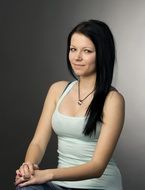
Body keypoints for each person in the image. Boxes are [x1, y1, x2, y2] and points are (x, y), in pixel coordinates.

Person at [15, 19, 125, 190]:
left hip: (99, 186)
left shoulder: (113, 100)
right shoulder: (57, 89)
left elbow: (97, 167)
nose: (77, 57)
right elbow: (38, 142)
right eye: (73, 49)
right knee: (26, 187)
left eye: (86, 51)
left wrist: (47, 174)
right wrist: (29, 166)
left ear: (102, 54)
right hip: (59, 185)